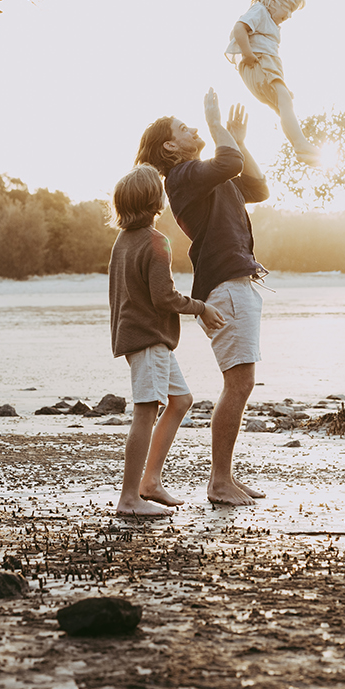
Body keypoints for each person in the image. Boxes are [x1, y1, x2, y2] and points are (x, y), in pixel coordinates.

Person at [136, 89, 270, 506]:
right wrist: (217, 126)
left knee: (241, 383)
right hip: (226, 285)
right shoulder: (182, 177)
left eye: (195, 125)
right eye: (184, 128)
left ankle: (224, 475)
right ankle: (218, 482)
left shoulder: (204, 174)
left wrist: (239, 139)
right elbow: (229, 163)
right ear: (170, 147)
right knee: (239, 382)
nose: (193, 128)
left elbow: (258, 187)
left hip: (237, 280)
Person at [107, 164, 226, 516]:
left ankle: (150, 482)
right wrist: (201, 307)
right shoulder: (156, 241)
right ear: (156, 200)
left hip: (141, 339)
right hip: (149, 341)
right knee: (145, 412)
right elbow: (164, 296)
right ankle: (129, 498)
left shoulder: (123, 241)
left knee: (181, 400)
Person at [223, 0, 318, 165]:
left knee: (283, 106)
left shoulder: (271, 22)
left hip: (266, 66)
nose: (289, 15)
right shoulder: (260, 10)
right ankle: (300, 143)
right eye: (289, 8)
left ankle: (299, 147)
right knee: (284, 102)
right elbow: (239, 28)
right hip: (259, 63)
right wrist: (248, 54)